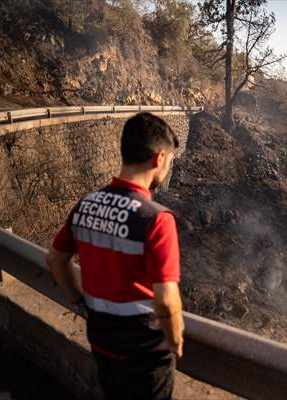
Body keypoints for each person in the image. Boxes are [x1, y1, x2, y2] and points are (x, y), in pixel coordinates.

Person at [46, 112, 184, 400]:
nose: (168, 169)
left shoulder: (86, 205)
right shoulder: (157, 219)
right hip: (145, 355)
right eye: (170, 162)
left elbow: (56, 259)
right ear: (159, 159)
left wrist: (79, 301)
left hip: (102, 342)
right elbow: (166, 301)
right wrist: (174, 340)